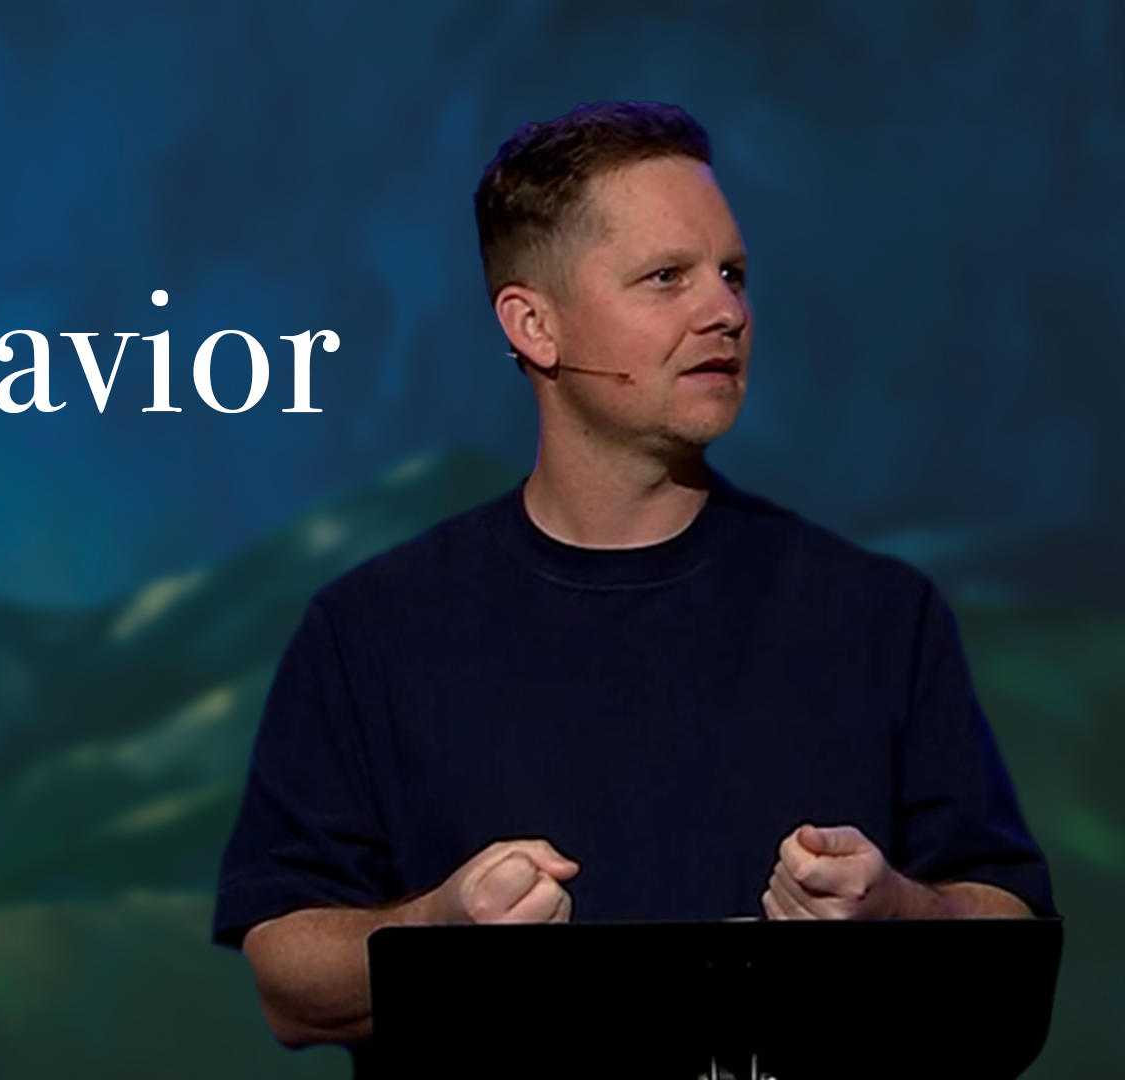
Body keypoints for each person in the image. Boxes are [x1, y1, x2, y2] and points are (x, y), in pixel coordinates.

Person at [211, 101, 1053, 1052]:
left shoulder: (879, 617)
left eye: (733, 274)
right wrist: (436, 932)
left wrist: (900, 914)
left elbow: (1013, 949)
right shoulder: (370, 632)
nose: (725, 312)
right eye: (666, 278)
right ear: (535, 326)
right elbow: (287, 982)